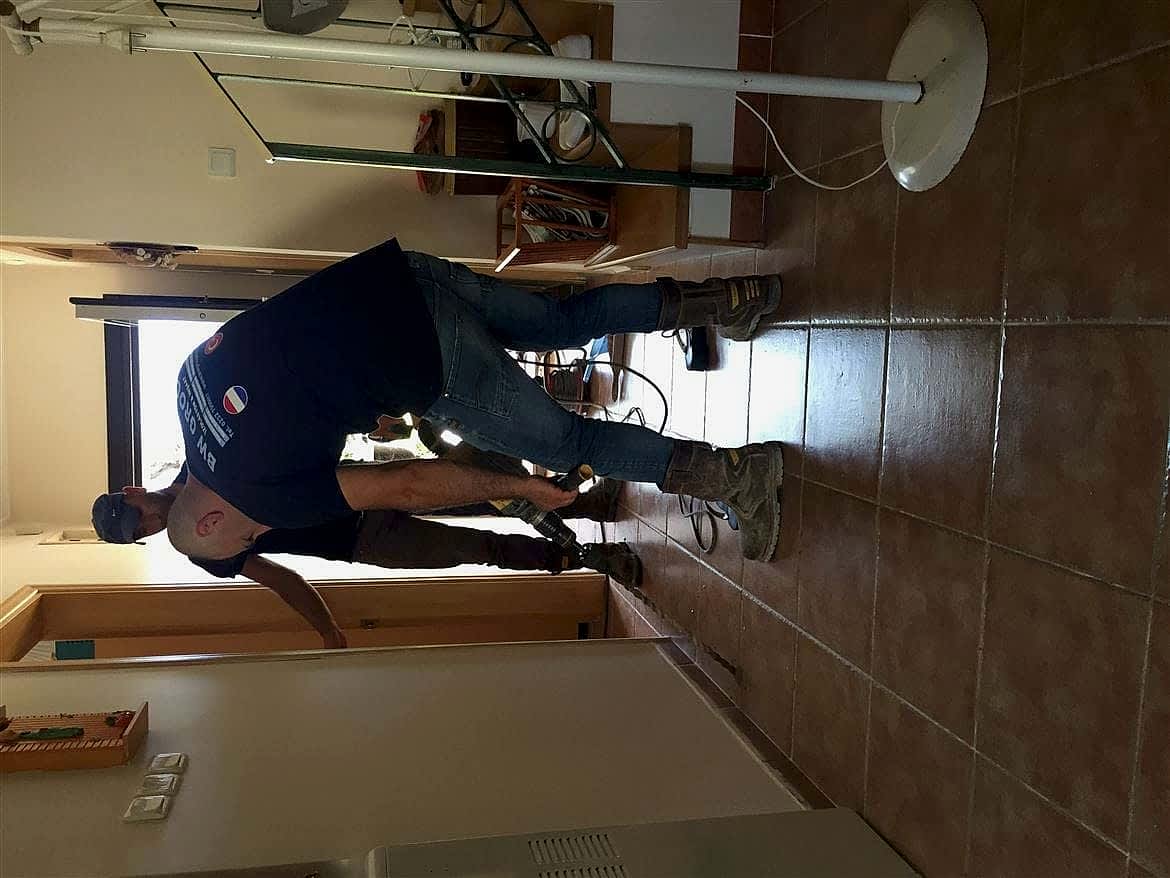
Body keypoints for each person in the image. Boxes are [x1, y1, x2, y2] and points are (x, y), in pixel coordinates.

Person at [151, 238, 786, 568]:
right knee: (561, 321)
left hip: (429, 361)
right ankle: (733, 298)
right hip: (400, 279)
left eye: (247, 535)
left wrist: (524, 489)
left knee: (571, 444)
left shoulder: (260, 497)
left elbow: (405, 484)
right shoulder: (187, 384)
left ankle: (738, 477)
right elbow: (287, 353)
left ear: (210, 523)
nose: (262, 530)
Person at [91, 466, 641, 649]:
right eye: (139, 533)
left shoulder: (206, 466)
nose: (148, 525)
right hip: (366, 544)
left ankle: (586, 501)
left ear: (133, 491)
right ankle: (592, 559)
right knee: (480, 548)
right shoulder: (201, 549)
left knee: (482, 490)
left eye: (136, 516)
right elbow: (279, 578)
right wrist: (327, 630)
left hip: (365, 485)